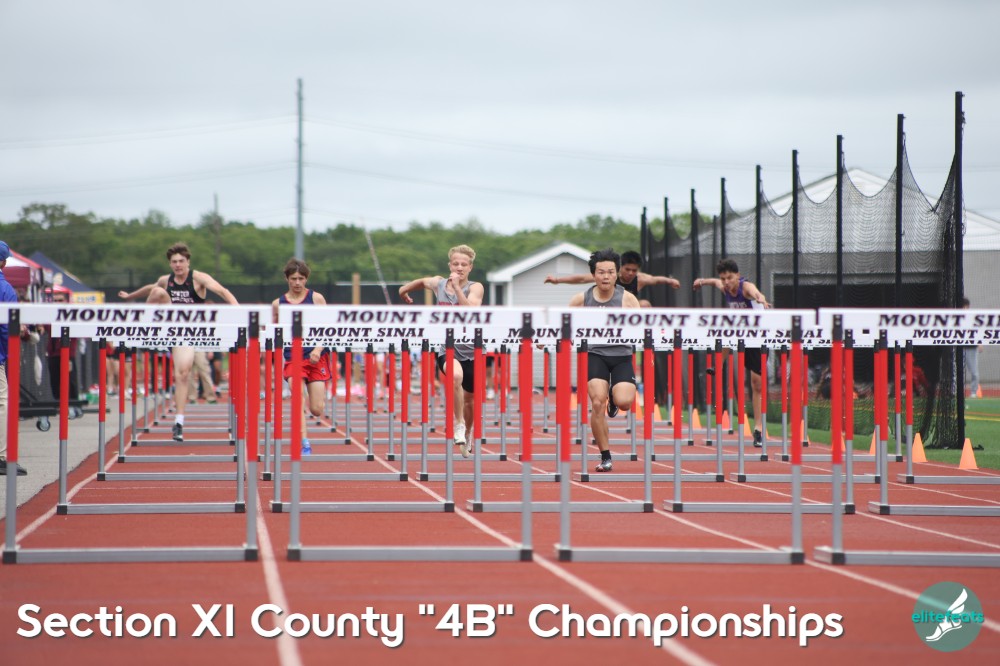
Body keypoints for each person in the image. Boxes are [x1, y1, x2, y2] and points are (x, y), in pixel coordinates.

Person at [118, 242, 237, 441]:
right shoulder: (166, 280)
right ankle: (144, 328)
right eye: (174, 262)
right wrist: (130, 296)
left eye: (181, 261)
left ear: (188, 262)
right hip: (172, 328)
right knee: (157, 292)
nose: (178, 265)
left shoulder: (199, 278)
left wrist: (241, 311)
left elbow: (223, 291)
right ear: (170, 264)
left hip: (190, 332)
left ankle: (179, 421)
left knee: (182, 373)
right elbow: (150, 289)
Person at [399, 244, 484, 458]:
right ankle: (459, 424)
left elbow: (471, 312)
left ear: (470, 267)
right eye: (455, 264)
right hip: (447, 347)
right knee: (455, 377)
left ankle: (468, 431)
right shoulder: (439, 284)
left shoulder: (475, 288)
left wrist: (457, 289)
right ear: (450, 265)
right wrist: (404, 290)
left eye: (463, 264)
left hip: (472, 350)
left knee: (470, 400)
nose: (459, 267)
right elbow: (422, 282)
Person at [569, 248, 641, 472]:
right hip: (595, 354)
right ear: (594, 275)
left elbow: (644, 327)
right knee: (597, 403)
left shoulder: (627, 299)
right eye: (601, 272)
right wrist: (546, 338)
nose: (606, 277)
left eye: (610, 272)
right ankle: (605, 456)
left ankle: (614, 394)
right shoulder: (582, 299)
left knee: (625, 402)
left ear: (617, 274)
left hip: (621, 356)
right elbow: (561, 323)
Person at [693, 258, 771, 447]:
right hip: (740, 333)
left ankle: (758, 428)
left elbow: (755, 292)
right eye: (724, 278)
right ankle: (717, 365)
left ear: (737, 276)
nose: (726, 282)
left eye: (730, 278)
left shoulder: (745, 287)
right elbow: (714, 282)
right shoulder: (725, 287)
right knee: (726, 331)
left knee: (757, 384)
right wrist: (701, 282)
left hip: (758, 336)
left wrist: (761, 299)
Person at [272, 258, 330, 455]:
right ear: (287, 279)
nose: (297, 283)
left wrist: (318, 349)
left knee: (316, 409)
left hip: (316, 356)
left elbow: (328, 328)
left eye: (301, 279)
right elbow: (272, 333)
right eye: (293, 279)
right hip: (293, 357)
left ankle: (312, 415)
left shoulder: (316, 299)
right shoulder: (278, 304)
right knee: (297, 397)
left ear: (306, 279)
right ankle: (304, 442)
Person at [545, 249, 680, 306]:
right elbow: (582, 278)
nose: (630, 273)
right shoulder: (607, 275)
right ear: (620, 268)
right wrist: (557, 280)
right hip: (607, 307)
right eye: (627, 269)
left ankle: (644, 333)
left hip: (627, 310)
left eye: (634, 270)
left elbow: (656, 279)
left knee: (644, 304)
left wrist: (671, 280)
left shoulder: (641, 279)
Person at [0, 241, 27, 476]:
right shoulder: (5, 289)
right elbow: (8, 325)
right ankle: (2, 457)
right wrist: (12, 354)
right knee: (2, 403)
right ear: (4, 263)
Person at [963, 297, 981, 398]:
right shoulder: (956, 317)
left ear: (967, 306)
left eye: (964, 306)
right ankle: (956, 391)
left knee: (974, 372)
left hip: (971, 348)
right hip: (959, 348)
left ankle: (974, 392)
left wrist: (980, 343)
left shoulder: (973, 317)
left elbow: (978, 330)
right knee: (957, 372)